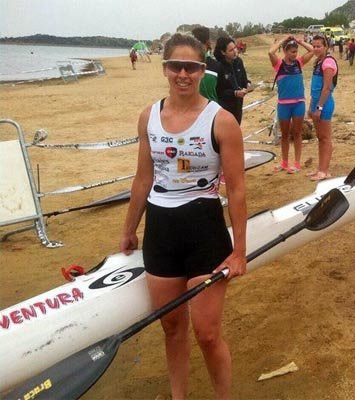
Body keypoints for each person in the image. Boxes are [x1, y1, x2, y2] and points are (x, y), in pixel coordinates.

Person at [119, 33, 247, 399]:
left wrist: (239, 251)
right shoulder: (149, 116)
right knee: (172, 329)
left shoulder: (221, 121)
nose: (183, 74)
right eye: (176, 66)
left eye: (191, 67)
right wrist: (129, 229)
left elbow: (237, 190)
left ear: (202, 69)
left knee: (207, 334)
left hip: (204, 231)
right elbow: (143, 178)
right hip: (160, 232)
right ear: (165, 69)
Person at [268, 36, 314, 173]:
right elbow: (271, 52)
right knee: (285, 135)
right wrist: (283, 40)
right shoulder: (278, 64)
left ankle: (297, 164)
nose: (295, 54)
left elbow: (312, 51)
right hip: (283, 105)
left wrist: (300, 41)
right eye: (292, 51)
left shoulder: (299, 62)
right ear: (285, 51)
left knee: (297, 133)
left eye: (296, 51)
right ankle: (284, 163)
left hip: (298, 103)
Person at [307, 35, 338, 181]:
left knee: (325, 138)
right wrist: (311, 106)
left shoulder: (328, 62)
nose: (316, 48)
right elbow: (315, 88)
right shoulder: (318, 62)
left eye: (319, 46)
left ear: (326, 47)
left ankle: (324, 170)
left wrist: (319, 107)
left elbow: (326, 88)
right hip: (316, 103)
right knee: (320, 138)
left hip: (324, 104)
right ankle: (320, 168)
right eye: (314, 46)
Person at [214, 37, 253, 124]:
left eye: (235, 48)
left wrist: (248, 84)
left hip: (238, 105)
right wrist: (234, 93)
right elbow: (219, 92)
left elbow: (244, 80)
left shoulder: (239, 61)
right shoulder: (218, 67)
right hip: (225, 108)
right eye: (231, 50)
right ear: (223, 52)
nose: (235, 51)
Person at [191, 26, 225, 104]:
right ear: (207, 42)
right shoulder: (216, 66)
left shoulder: (184, 65)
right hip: (212, 112)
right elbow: (222, 93)